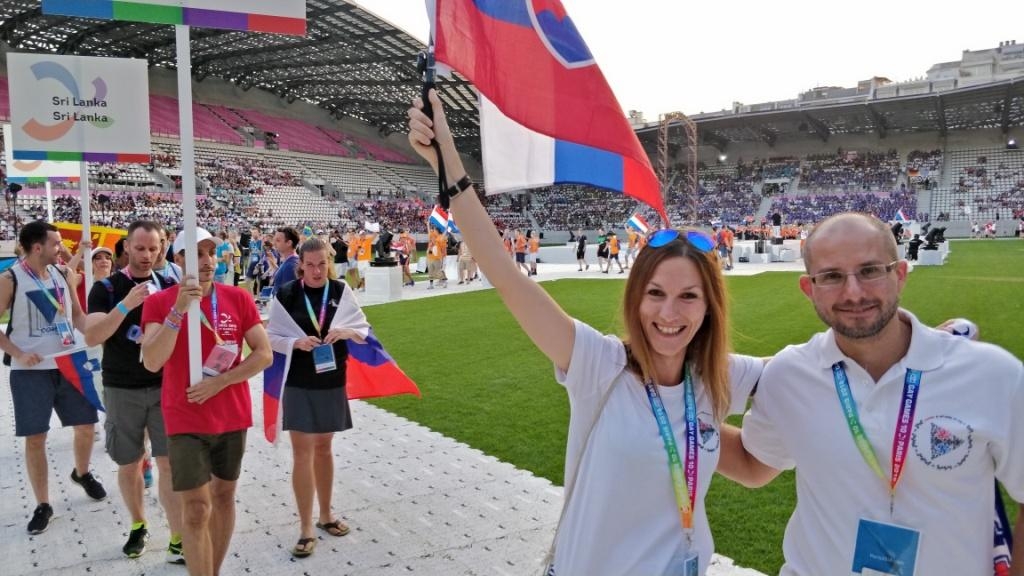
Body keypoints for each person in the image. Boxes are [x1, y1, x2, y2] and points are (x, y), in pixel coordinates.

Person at [408, 90, 763, 575]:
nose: (669, 313)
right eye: (655, 293)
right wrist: (447, 160)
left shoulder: (718, 376)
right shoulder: (599, 364)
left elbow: (792, 407)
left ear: (709, 307)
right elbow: (506, 275)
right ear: (636, 297)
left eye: (688, 296)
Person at [723, 212, 1024, 576]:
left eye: (870, 271)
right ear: (809, 288)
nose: (853, 292)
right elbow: (754, 465)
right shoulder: (790, 375)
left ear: (900, 274)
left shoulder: (992, 375)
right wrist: (673, 415)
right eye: (832, 276)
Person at [140, 227, 273, 576]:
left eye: (211, 253)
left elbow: (264, 354)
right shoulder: (159, 302)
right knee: (197, 508)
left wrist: (222, 382)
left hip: (231, 414)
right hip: (184, 416)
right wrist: (178, 310)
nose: (207, 261)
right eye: (197, 254)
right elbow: (152, 361)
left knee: (224, 496)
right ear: (178, 259)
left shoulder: (237, 298)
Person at [83, 220, 183, 560]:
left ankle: (177, 534)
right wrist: (125, 304)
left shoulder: (169, 285)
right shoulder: (107, 288)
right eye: (140, 248)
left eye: (154, 248)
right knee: (129, 462)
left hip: (163, 385)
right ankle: (139, 524)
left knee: (168, 463)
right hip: (122, 387)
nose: (147, 255)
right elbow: (92, 336)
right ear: (126, 247)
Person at [0, 220, 106, 535]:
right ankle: (43, 504)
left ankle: (82, 473)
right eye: (56, 243)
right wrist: (18, 353)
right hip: (30, 372)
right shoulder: (10, 279)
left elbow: (77, 316)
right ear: (37, 247)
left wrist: (101, 334)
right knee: (36, 438)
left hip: (69, 362)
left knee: (86, 426)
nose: (62, 248)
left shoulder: (63, 274)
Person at [265, 238, 369, 558]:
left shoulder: (340, 290)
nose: (316, 271)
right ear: (301, 265)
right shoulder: (286, 294)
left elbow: (362, 328)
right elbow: (270, 336)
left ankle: (326, 515)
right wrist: (295, 343)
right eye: (310, 265)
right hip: (298, 381)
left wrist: (345, 332)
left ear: (329, 263)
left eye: (321, 264)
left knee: (324, 448)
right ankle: (306, 527)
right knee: (302, 452)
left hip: (331, 379)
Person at [272, 226, 300, 294]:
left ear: (289, 243)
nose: (274, 243)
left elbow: (287, 295)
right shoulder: (289, 261)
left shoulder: (291, 265)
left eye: (278, 240)